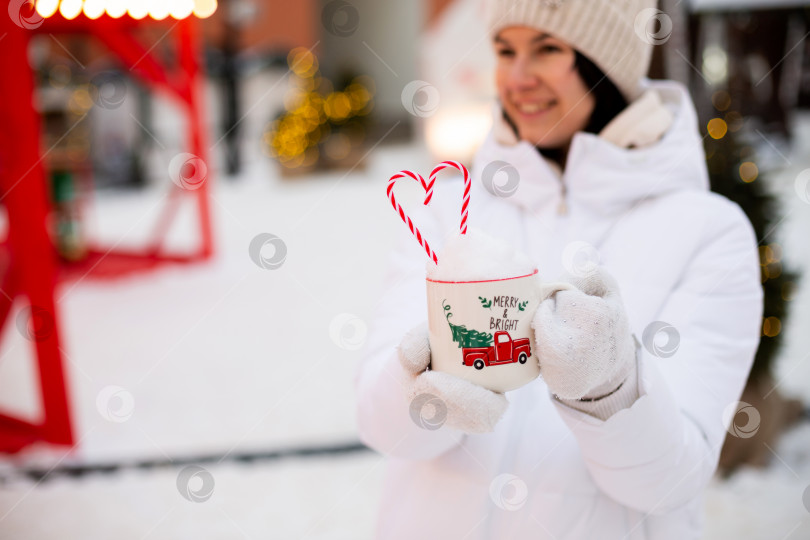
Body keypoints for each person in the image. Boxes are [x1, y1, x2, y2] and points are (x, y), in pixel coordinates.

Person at [355, 0, 763, 538]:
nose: (518, 77)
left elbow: (670, 481)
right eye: (504, 50)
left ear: (607, 63)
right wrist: (425, 391)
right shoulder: (446, 210)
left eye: (547, 48)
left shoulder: (709, 233)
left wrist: (611, 390)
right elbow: (380, 427)